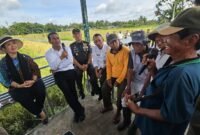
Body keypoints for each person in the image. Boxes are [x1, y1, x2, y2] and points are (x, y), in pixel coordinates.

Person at [125, 7, 200, 135]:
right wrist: (153, 70)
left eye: (170, 36)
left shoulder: (181, 74)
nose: (164, 42)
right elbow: (163, 89)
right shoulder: (185, 63)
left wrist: (138, 110)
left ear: (191, 40)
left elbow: (171, 115)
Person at [0, 36, 47, 124]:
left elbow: (35, 70)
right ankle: (42, 114)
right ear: (4, 49)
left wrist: (33, 80)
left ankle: (38, 111)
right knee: (22, 98)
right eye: (8, 44)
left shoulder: (26, 57)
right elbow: (5, 80)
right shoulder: (2, 63)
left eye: (14, 43)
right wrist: (20, 85)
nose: (13, 46)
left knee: (40, 87)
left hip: (31, 82)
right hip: (17, 87)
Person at [45, 32, 85, 123]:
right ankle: (80, 110)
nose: (56, 40)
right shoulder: (48, 53)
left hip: (70, 71)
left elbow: (70, 61)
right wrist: (61, 57)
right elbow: (53, 67)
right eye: (54, 39)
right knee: (67, 94)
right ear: (49, 41)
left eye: (57, 38)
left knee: (73, 92)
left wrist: (57, 65)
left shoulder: (66, 48)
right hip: (59, 74)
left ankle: (77, 111)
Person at [119, 31, 150, 131]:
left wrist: (141, 93)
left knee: (140, 105)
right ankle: (126, 121)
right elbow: (130, 70)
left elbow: (150, 76)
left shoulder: (152, 53)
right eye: (133, 44)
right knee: (124, 100)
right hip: (134, 81)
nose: (135, 46)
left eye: (138, 44)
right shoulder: (131, 53)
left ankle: (135, 125)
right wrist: (128, 87)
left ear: (144, 43)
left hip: (146, 84)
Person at [101, 34, 130, 125]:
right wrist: (109, 78)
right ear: (108, 44)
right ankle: (108, 106)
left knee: (120, 96)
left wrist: (119, 80)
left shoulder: (126, 50)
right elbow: (109, 66)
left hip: (123, 77)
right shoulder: (109, 52)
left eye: (115, 41)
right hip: (113, 75)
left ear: (118, 40)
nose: (114, 44)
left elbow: (126, 67)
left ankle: (118, 112)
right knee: (104, 88)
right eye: (111, 42)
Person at [70, 28, 100, 99]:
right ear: (73, 36)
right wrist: (80, 66)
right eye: (75, 35)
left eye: (79, 34)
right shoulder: (72, 46)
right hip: (78, 65)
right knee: (77, 75)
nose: (78, 36)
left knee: (93, 72)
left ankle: (94, 89)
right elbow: (72, 58)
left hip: (88, 63)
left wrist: (87, 64)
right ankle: (81, 92)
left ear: (81, 34)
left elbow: (90, 54)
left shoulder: (86, 43)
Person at [92, 33, 109, 101]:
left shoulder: (107, 47)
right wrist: (96, 71)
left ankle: (103, 94)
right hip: (98, 68)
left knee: (102, 80)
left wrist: (101, 71)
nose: (98, 43)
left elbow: (107, 62)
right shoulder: (94, 48)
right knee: (92, 79)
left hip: (106, 68)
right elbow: (95, 60)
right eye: (95, 41)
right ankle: (99, 92)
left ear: (103, 40)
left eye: (99, 40)